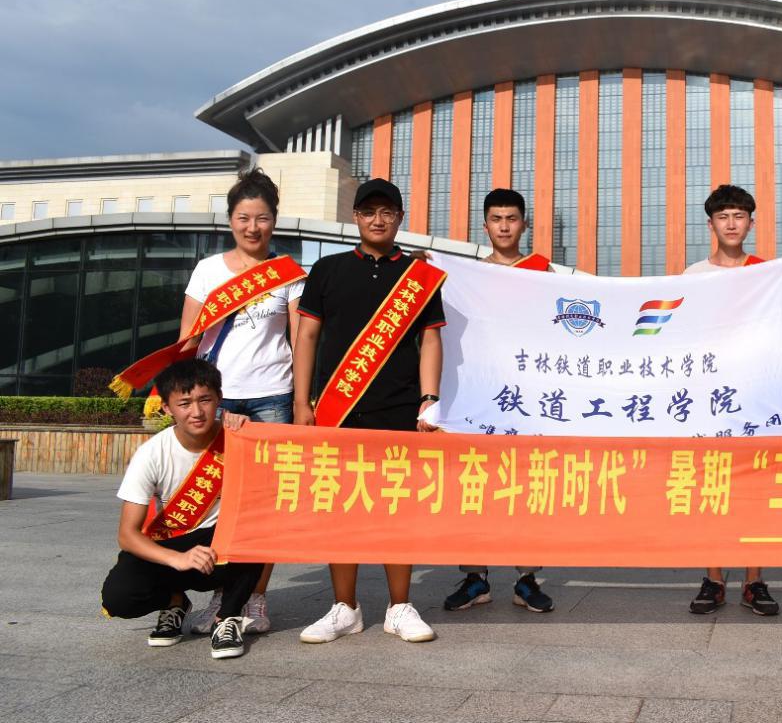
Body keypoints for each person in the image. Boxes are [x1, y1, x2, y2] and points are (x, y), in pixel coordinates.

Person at [292, 178, 446, 644]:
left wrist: (430, 399)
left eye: (387, 212)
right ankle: (346, 608)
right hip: (336, 408)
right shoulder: (327, 269)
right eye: (368, 211)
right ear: (355, 217)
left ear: (400, 218)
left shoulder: (419, 276)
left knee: (397, 506)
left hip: (398, 406)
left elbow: (431, 340)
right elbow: (307, 336)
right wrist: (302, 402)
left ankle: (400, 606)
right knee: (340, 507)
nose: (378, 220)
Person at [180, 168, 304, 636]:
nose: (253, 228)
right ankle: (222, 595)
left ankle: (255, 597)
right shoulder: (208, 270)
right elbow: (188, 340)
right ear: (230, 219)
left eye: (262, 218)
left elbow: (300, 340)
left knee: (265, 504)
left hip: (272, 397)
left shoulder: (289, 274)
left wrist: (303, 400)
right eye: (244, 218)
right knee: (218, 502)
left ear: (275, 220)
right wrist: (181, 397)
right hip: (217, 399)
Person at [683, 183, 782, 617]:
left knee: (756, 491)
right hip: (710, 398)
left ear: (751, 223)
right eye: (724, 216)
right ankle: (713, 578)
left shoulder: (766, 272)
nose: (731, 223)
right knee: (712, 490)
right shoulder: (694, 276)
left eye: (739, 216)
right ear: (711, 224)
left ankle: (754, 580)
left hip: (757, 396)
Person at [100, 359, 263, 659]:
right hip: (173, 547)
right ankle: (175, 602)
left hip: (220, 547)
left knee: (257, 529)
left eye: (205, 400)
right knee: (119, 597)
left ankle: (227, 617)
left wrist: (250, 431)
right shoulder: (151, 454)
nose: (197, 412)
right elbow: (127, 535)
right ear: (167, 408)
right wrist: (178, 558)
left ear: (219, 399)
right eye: (185, 403)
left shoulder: (239, 439)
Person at [444, 188, 554, 614]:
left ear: (524, 224)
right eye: (496, 219)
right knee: (474, 483)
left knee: (527, 486)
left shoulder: (542, 272)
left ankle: (527, 578)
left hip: (528, 393)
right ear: (485, 225)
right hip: (480, 392)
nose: (504, 226)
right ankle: (475, 577)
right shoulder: (468, 276)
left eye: (511, 218)